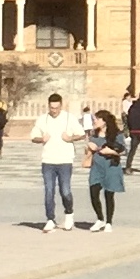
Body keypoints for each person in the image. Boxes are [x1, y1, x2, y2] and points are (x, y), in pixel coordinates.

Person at [31, 93, 84, 231]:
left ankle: (69, 214)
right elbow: (33, 137)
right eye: (52, 108)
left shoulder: (69, 118)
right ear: (48, 106)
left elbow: (82, 133)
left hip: (65, 160)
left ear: (61, 106)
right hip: (48, 160)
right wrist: (41, 139)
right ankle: (50, 219)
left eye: (57, 108)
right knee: (49, 190)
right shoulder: (43, 119)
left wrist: (70, 138)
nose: (54, 110)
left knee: (65, 190)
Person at [86, 108, 126, 230]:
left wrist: (112, 151)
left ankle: (109, 222)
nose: (94, 121)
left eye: (97, 119)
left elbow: (124, 151)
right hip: (97, 167)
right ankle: (100, 218)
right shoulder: (93, 135)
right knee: (93, 191)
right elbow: (88, 152)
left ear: (104, 121)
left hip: (111, 167)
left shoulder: (117, 135)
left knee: (109, 194)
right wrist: (89, 147)